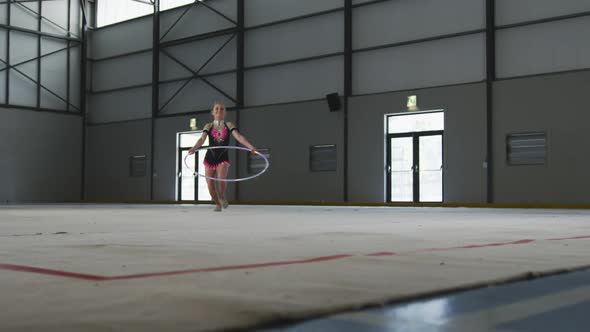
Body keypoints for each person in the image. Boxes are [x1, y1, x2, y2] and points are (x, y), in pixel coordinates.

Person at [188, 102, 257, 212]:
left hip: (222, 156)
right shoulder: (208, 126)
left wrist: (250, 146)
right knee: (210, 184)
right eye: (216, 108)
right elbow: (201, 139)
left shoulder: (228, 125)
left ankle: (222, 197)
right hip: (210, 157)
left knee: (221, 179)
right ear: (212, 112)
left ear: (225, 112)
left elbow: (238, 137)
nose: (219, 110)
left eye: (221, 109)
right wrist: (194, 148)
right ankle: (217, 204)